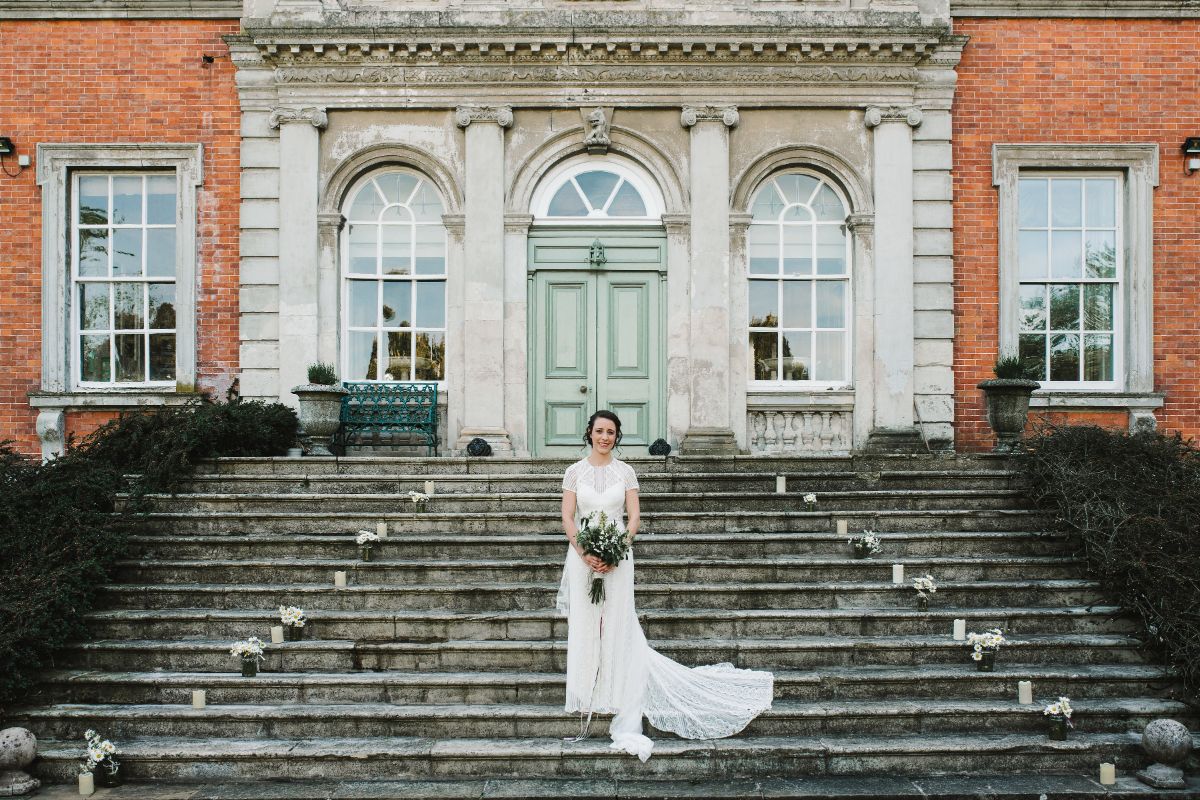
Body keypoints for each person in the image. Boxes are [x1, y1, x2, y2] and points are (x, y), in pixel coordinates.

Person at [557, 409, 774, 762]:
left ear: (617, 436)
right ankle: (588, 692)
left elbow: (635, 517)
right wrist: (584, 552)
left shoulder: (626, 472)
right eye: (599, 431)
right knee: (584, 622)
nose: (605, 437)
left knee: (619, 622)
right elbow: (568, 516)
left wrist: (617, 550)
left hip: (617, 556)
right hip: (581, 555)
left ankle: (617, 689)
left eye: (611, 432)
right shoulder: (574, 472)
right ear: (589, 433)